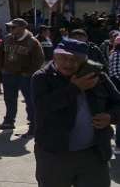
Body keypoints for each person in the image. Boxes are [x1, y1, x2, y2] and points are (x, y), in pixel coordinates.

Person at [32, 38, 120, 187]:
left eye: (75, 59)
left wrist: (110, 116)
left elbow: (118, 103)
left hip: (93, 154)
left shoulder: (98, 76)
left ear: (84, 61)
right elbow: (43, 107)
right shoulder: (42, 77)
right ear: (54, 57)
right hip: (55, 155)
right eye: (63, 58)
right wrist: (74, 88)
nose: (68, 63)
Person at [0, 18, 44, 136]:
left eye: (13, 27)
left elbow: (39, 60)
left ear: (22, 28)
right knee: (9, 98)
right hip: (8, 74)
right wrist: (2, 68)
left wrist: (29, 72)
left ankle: (33, 125)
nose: (10, 29)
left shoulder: (32, 42)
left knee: (29, 100)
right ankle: (9, 121)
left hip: (25, 76)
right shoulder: (7, 39)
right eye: (10, 27)